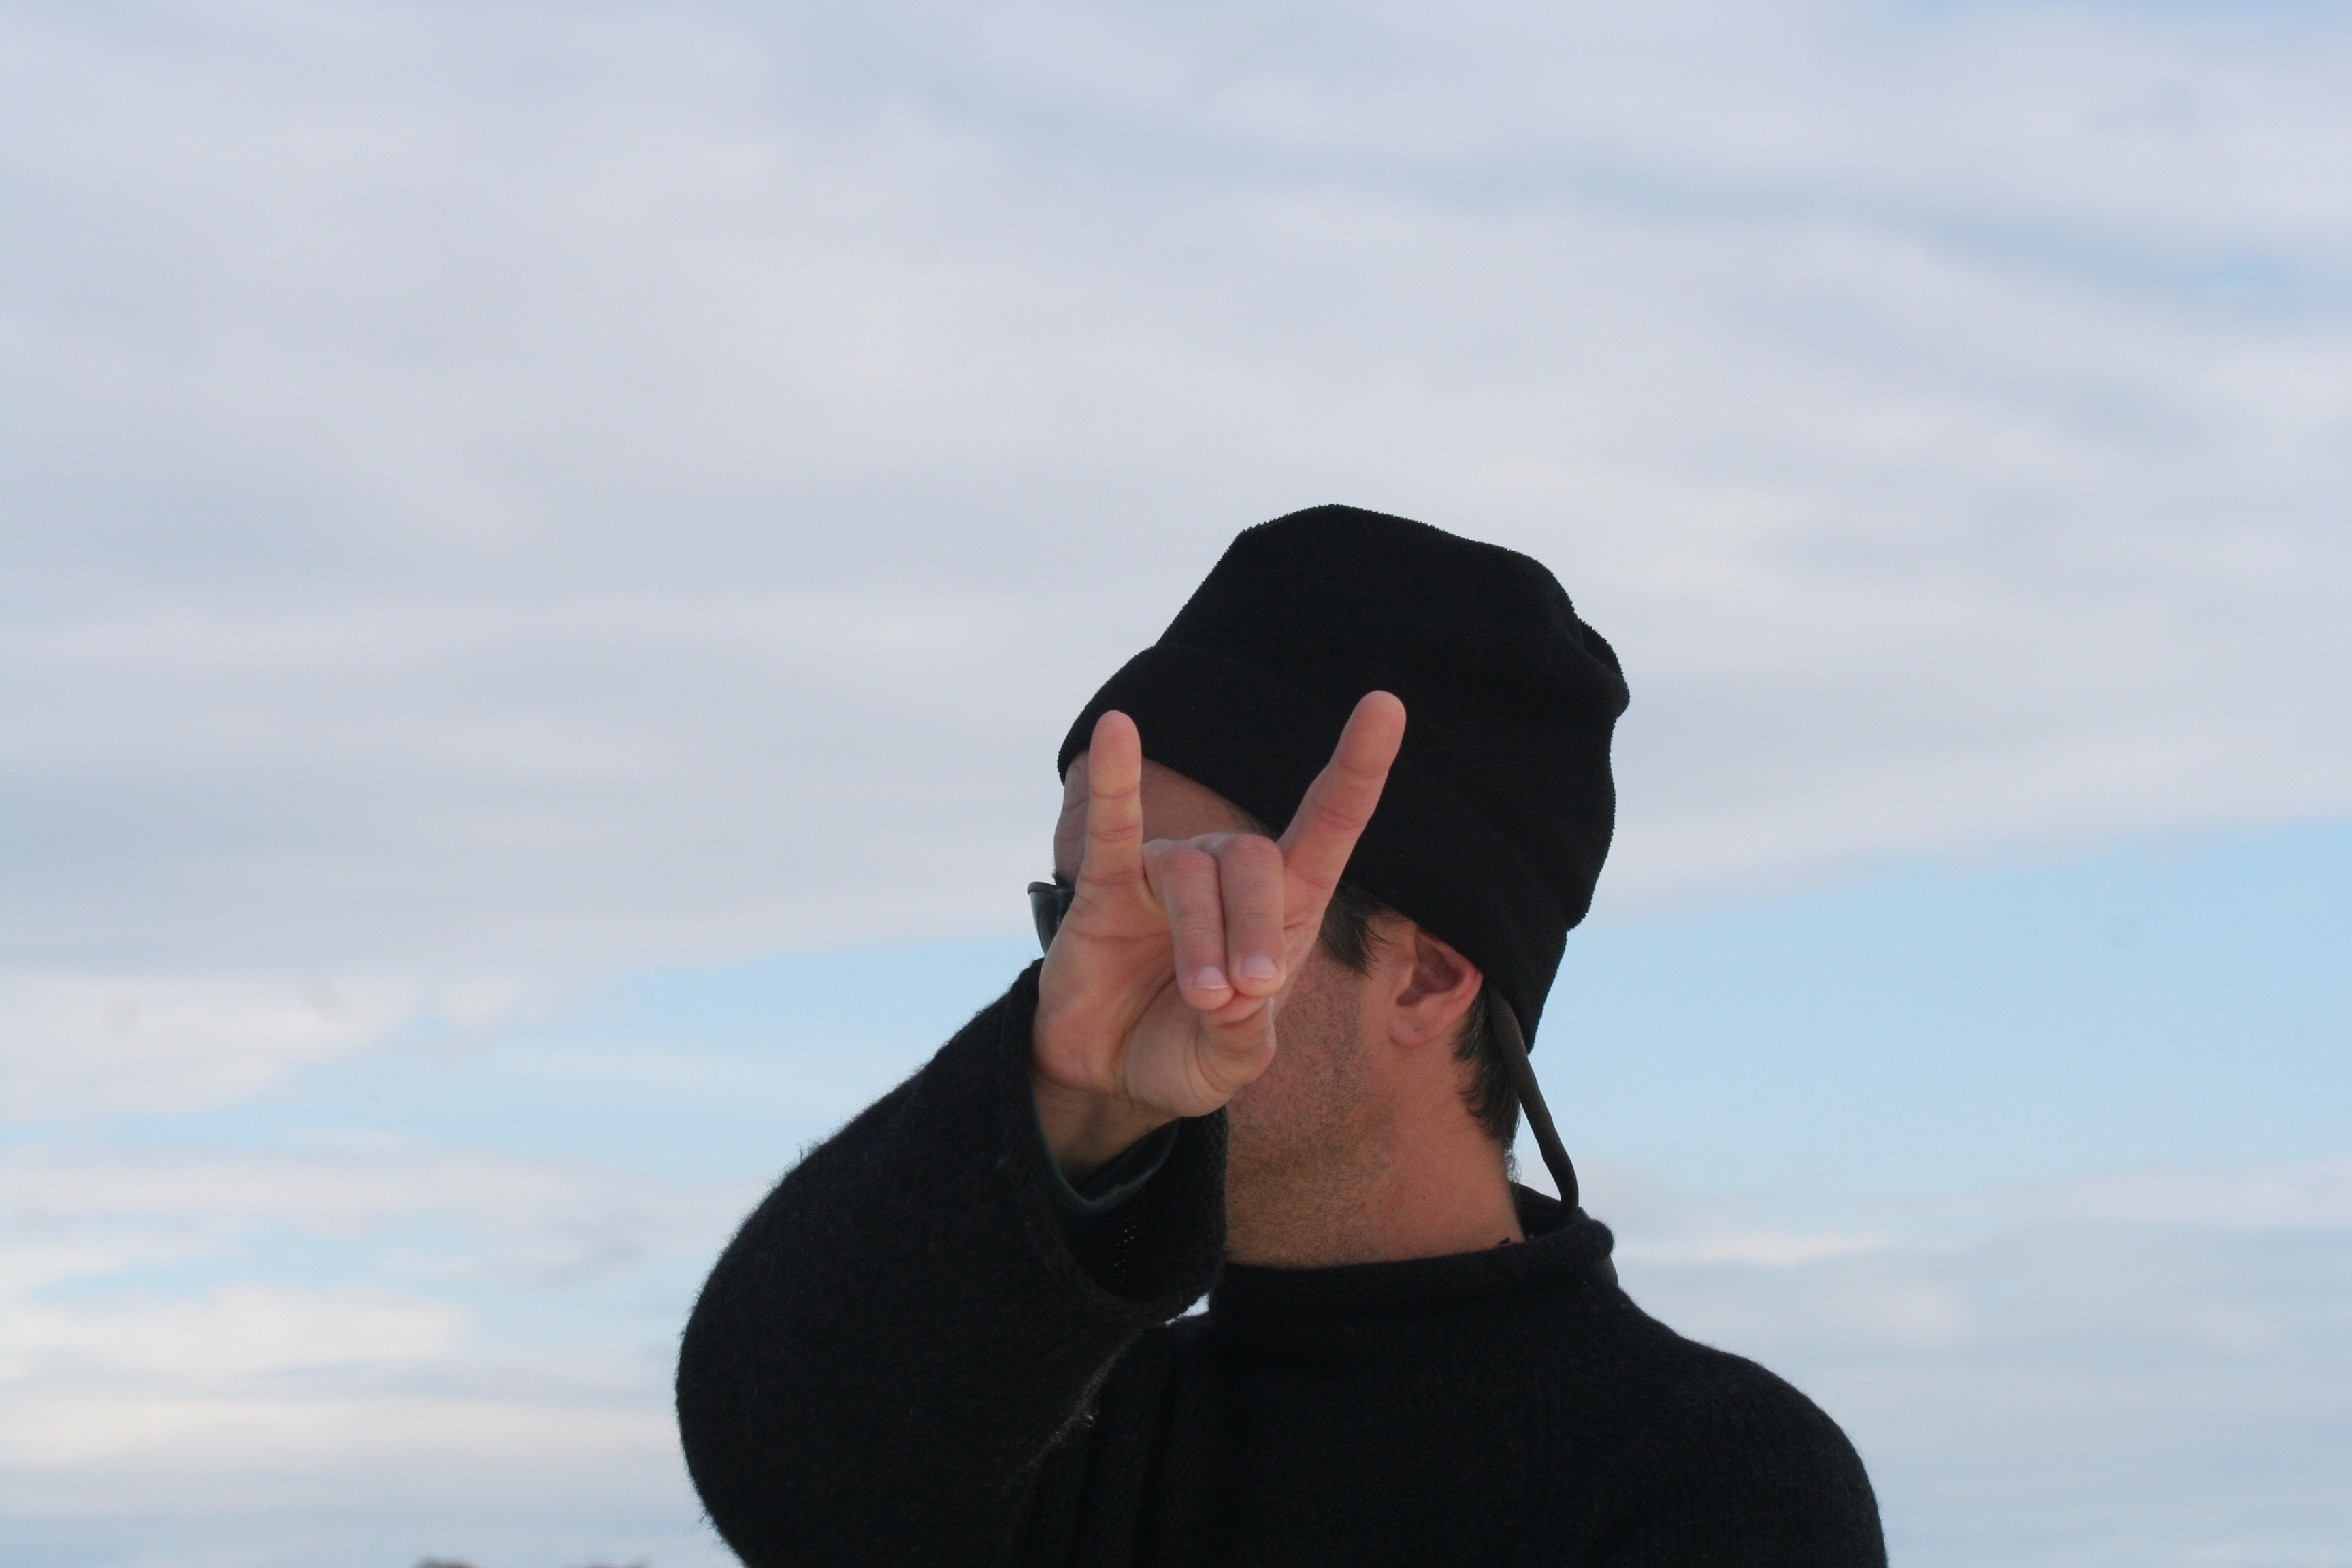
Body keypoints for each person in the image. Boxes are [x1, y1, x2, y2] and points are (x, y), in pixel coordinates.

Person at [676, 505, 1886, 1566]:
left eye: (1186, 907)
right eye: (1078, 913)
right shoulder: (1061, 1428)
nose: (1097, 972)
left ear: (1426, 980)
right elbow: (784, 1469)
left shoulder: (1709, 1477)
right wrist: (1068, 1094)